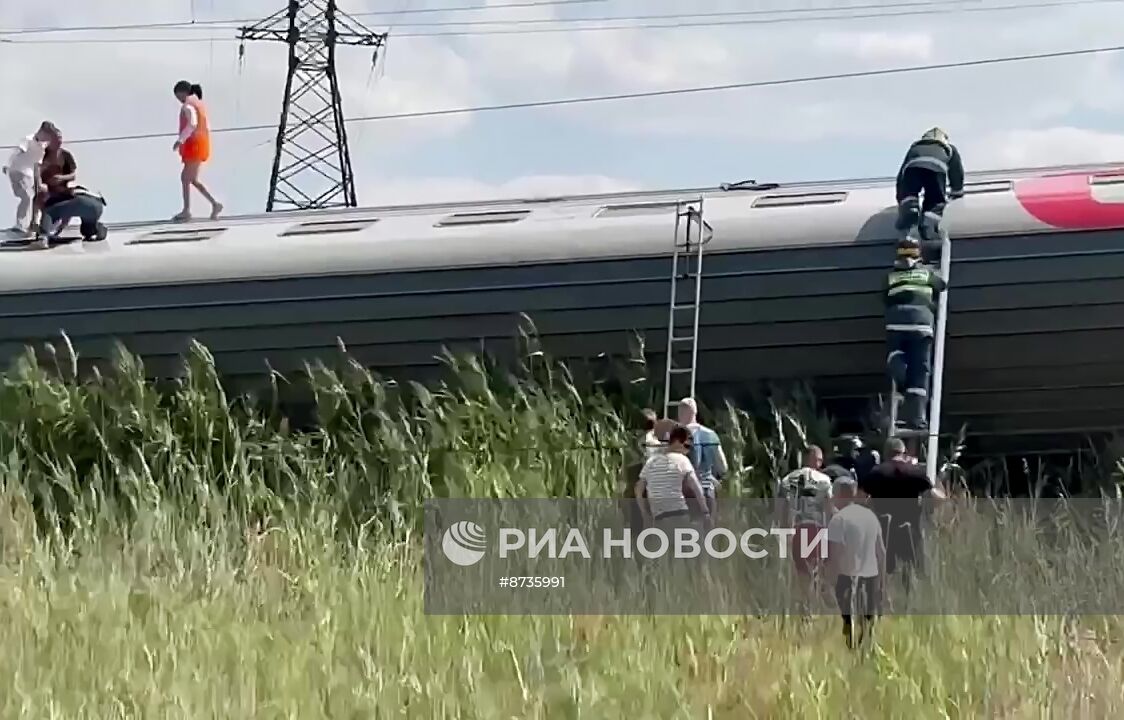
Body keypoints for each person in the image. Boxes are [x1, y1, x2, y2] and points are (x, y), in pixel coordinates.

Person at [859, 438, 946, 594]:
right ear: (903, 453)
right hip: (910, 531)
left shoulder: (876, 473)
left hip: (883, 531)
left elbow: (859, 500)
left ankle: (882, 604)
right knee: (912, 573)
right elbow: (938, 498)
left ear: (886, 454)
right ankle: (907, 605)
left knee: (881, 573)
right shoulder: (915, 472)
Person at [884, 237, 946, 432]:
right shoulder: (925, 274)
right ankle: (917, 417)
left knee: (896, 352)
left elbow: (884, 298)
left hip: (896, 323)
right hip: (921, 324)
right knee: (920, 371)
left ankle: (899, 369)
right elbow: (942, 285)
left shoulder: (891, 277)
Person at [825, 474, 885, 649]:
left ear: (841, 495)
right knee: (867, 627)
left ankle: (851, 657)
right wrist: (882, 583)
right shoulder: (871, 517)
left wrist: (828, 581)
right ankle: (866, 657)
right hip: (871, 577)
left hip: (847, 578)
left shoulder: (838, 520)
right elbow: (881, 552)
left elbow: (834, 555)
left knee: (848, 628)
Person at [775, 445, 834, 593]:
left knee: (799, 572)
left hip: (795, 529)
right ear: (816, 460)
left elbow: (780, 510)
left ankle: (802, 606)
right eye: (820, 460)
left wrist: (782, 532)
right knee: (816, 570)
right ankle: (812, 605)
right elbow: (829, 509)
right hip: (816, 529)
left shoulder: (787, 480)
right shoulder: (825, 481)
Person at [894, 127, 964, 243]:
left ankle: (910, 214)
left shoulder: (915, 147)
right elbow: (956, 172)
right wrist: (957, 192)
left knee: (909, 196)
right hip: (936, 168)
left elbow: (902, 175)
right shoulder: (949, 149)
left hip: (912, 168)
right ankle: (928, 228)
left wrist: (902, 198)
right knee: (935, 200)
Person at [635, 424, 709, 531]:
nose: (688, 451)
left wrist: (644, 514)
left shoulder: (651, 462)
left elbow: (638, 489)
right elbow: (696, 487)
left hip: (658, 517)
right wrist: (705, 511)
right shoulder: (682, 460)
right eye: (687, 446)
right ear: (678, 442)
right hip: (679, 513)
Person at [172, 80, 223, 222]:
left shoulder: (188, 106)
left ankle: (187, 210)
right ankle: (214, 203)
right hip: (199, 145)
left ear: (182, 93)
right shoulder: (198, 104)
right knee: (191, 179)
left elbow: (192, 124)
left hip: (194, 146)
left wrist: (180, 140)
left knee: (186, 178)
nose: (178, 100)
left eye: (178, 96)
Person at [677, 397, 728, 516]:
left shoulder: (675, 437)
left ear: (680, 413)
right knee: (707, 532)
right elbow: (723, 467)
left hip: (682, 494)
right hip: (706, 490)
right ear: (695, 412)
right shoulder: (711, 435)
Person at [2, 122, 55, 237]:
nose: (47, 139)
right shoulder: (28, 140)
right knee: (27, 196)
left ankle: (31, 224)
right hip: (17, 171)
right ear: (41, 132)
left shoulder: (42, 148)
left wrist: (38, 181)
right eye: (46, 135)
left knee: (32, 198)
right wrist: (7, 166)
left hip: (28, 174)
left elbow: (37, 166)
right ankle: (20, 225)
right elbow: (16, 152)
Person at [38, 185, 108, 248]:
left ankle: (43, 237)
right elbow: (66, 216)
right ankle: (97, 229)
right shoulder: (83, 192)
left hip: (81, 201)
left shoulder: (55, 198)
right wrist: (57, 232)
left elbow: (64, 217)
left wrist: (52, 232)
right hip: (98, 206)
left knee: (48, 211)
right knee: (87, 232)